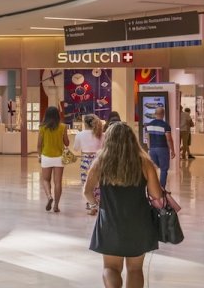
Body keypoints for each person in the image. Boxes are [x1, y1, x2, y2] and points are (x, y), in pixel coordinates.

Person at [84, 121, 165, 288]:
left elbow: (87, 191)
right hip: (139, 221)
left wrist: (96, 205)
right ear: (132, 140)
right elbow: (156, 194)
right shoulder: (144, 163)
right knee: (135, 270)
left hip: (110, 220)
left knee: (110, 268)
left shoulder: (101, 162)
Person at [38, 105, 69, 212]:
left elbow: (39, 144)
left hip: (46, 156)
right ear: (57, 115)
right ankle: (56, 206)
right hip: (59, 157)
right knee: (58, 182)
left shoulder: (42, 127)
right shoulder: (63, 127)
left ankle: (49, 197)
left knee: (45, 180)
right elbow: (67, 143)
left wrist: (39, 155)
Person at [75, 114, 105, 214]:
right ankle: (98, 203)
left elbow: (76, 148)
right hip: (99, 159)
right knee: (98, 182)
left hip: (85, 160)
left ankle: (92, 204)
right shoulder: (102, 134)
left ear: (85, 123)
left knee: (86, 182)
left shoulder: (80, 134)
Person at [142, 107, 175, 188]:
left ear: (155, 114)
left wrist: (149, 148)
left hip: (152, 149)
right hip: (163, 149)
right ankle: (162, 188)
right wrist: (172, 150)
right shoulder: (165, 125)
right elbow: (169, 139)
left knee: (153, 168)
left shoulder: (149, 125)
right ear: (163, 114)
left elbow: (147, 138)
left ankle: (152, 187)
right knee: (164, 169)